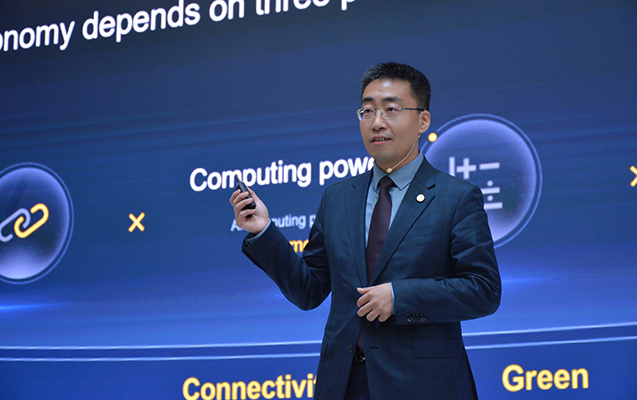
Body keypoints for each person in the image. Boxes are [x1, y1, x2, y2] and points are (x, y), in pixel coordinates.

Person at [229, 62, 501, 400]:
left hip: (423, 385)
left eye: (391, 109)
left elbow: (483, 290)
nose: (377, 122)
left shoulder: (456, 197)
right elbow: (309, 290)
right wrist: (264, 231)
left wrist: (401, 297)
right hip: (343, 383)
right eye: (367, 111)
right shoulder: (338, 197)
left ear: (423, 121)